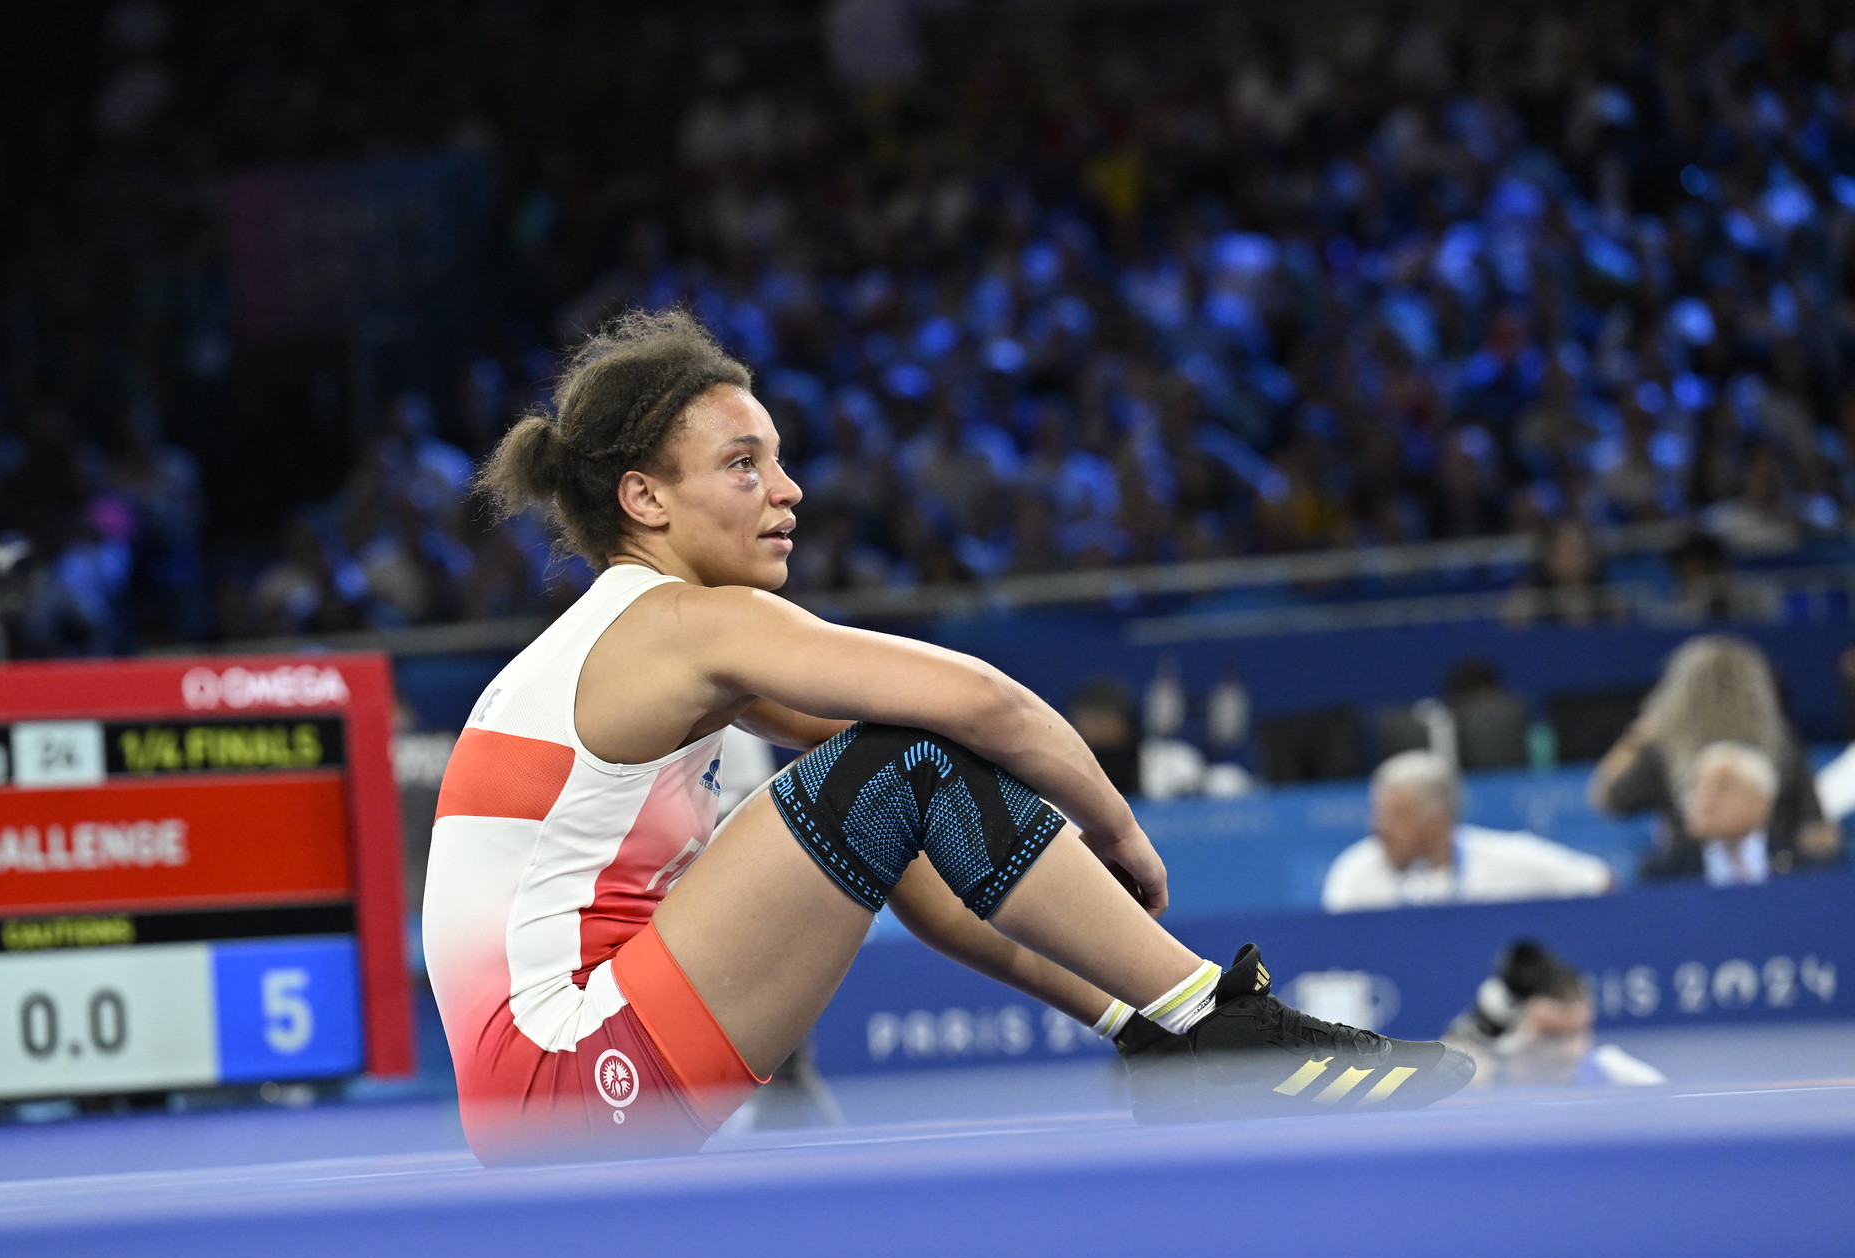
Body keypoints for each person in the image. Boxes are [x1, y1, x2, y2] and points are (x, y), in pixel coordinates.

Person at [421, 310, 1472, 1159]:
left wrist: (1129, 1015)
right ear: (641, 498)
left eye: (778, 461)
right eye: (743, 466)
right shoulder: (678, 624)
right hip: (569, 1074)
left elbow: (915, 851)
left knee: (890, 782)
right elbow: (982, 706)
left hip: (543, 1095)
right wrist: (1118, 833)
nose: (786, 491)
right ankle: (1224, 1025)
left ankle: (1181, 1033)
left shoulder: (636, 647)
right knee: (900, 760)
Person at [1588, 635, 1842, 874]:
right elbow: (1813, 828)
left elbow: (1606, 799)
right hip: (1700, 871)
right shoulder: (1781, 740)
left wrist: (1637, 737)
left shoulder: (1663, 745)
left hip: (1741, 872)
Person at [1323, 751, 1612, 913]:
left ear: (1438, 821)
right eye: (1378, 812)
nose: (1379, 827)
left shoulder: (1511, 858)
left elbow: (1600, 882)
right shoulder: (1356, 873)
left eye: (1397, 815)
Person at [1442, 940, 1664, 1089]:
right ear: (1509, 1032)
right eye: (1553, 1036)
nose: (1574, 1052)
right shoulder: (1469, 1087)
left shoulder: (1620, 1078)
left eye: (1581, 1032)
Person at [1642, 742, 1787, 885]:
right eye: (1699, 787)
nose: (1707, 800)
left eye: (1723, 787)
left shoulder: (1798, 863)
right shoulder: (1663, 874)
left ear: (1761, 801)